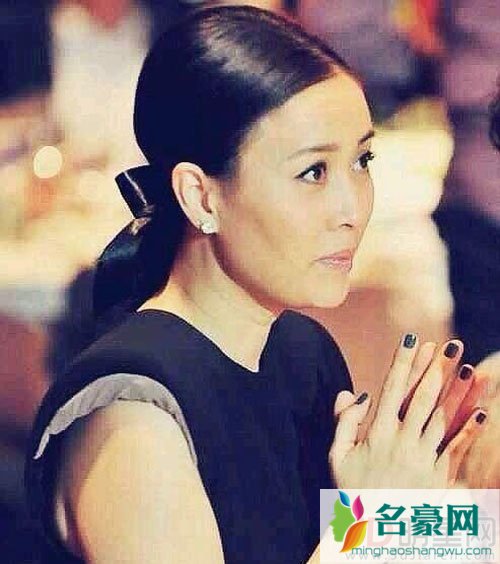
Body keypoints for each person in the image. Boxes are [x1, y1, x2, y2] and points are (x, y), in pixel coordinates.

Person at [25, 6, 486, 564]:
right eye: (313, 172)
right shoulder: (134, 417)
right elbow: (353, 543)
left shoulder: (301, 352)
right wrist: (376, 523)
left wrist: (449, 489)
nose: (352, 208)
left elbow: (338, 539)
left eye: (362, 161)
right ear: (201, 196)